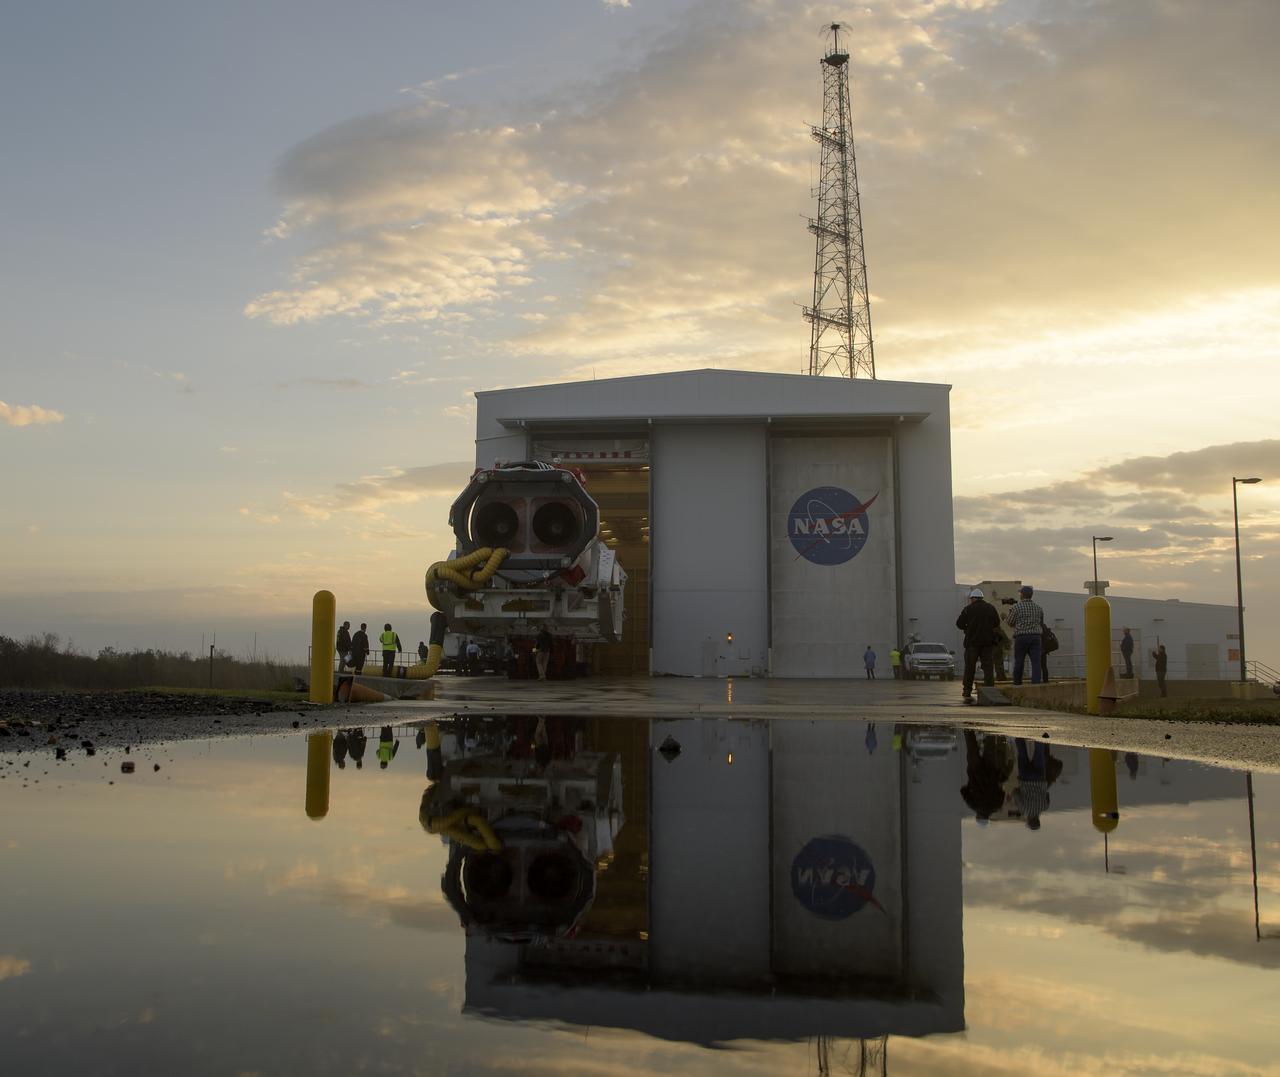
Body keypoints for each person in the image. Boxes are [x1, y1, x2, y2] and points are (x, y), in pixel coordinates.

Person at [956, 587, 1000, 704]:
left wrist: (968, 628)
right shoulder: (991, 608)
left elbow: (959, 623)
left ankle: (967, 690)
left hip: (972, 643)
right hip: (987, 643)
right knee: (988, 666)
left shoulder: (968, 609)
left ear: (973, 598)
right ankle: (990, 688)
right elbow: (996, 623)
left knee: (970, 667)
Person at [960, 730, 1013, 821]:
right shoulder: (974, 805)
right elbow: (963, 791)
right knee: (971, 744)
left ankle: (990, 726)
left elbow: (1002, 792)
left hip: (991, 772)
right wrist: (970, 786)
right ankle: (967, 725)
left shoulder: (996, 805)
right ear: (978, 816)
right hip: (975, 771)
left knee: (990, 745)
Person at [1005, 585, 1044, 686]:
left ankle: (1017, 683)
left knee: (1019, 661)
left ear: (1022, 595)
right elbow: (1040, 622)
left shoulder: (1016, 607)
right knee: (1036, 662)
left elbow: (1010, 622)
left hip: (1021, 637)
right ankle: (1036, 683)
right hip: (1036, 637)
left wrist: (1006, 617)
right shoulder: (1038, 608)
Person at [1013, 737, 1049, 829]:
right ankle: (1018, 736)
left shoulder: (1044, 807)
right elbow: (1015, 793)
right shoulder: (1024, 809)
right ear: (1029, 820)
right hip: (1025, 778)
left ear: (1038, 819)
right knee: (1022, 754)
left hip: (1039, 778)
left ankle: (1040, 736)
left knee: (1039, 753)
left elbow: (1047, 795)